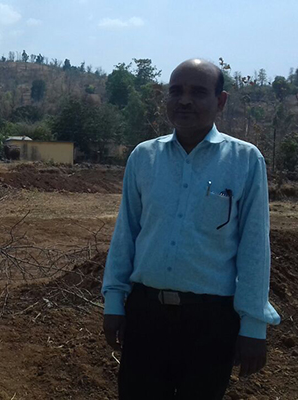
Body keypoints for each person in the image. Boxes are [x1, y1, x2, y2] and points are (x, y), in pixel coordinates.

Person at [101, 58, 281, 399]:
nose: (184, 100)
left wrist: (254, 326)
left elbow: (254, 248)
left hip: (211, 322)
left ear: (220, 101)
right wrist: (113, 302)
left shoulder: (245, 161)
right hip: (146, 316)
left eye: (198, 92)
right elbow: (126, 233)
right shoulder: (143, 157)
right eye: (176, 91)